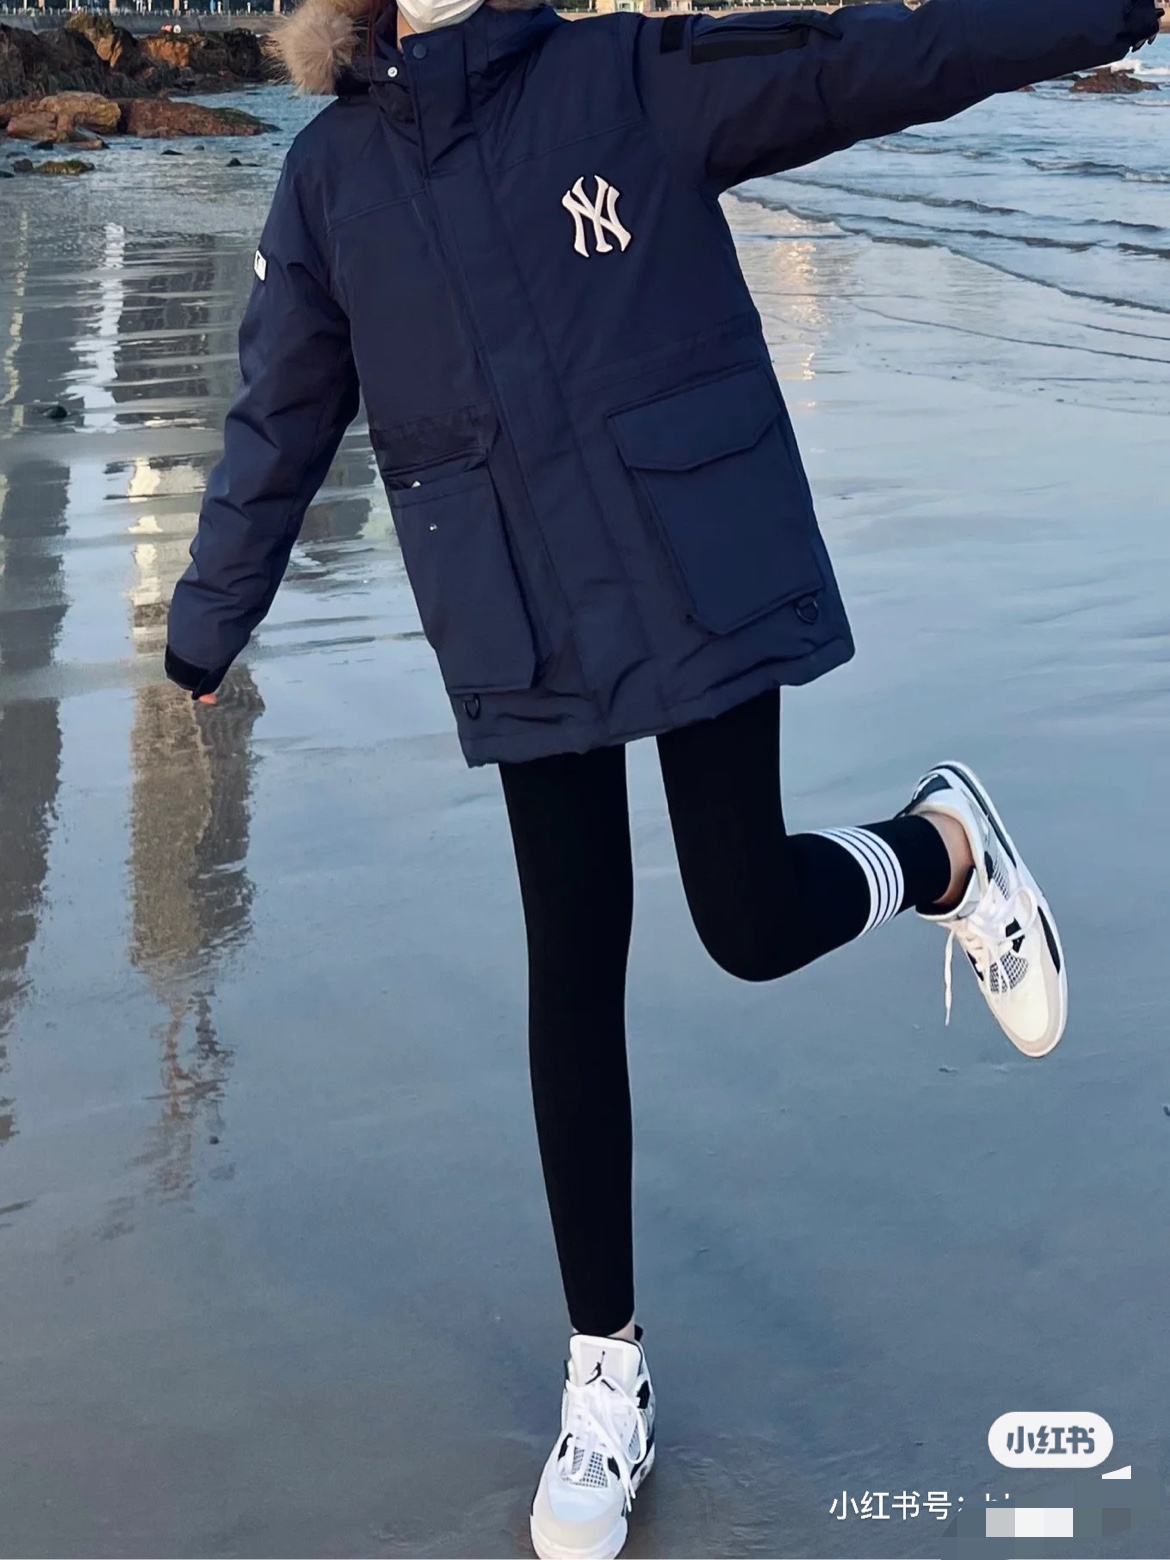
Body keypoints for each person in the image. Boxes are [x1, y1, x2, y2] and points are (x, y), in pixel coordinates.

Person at [165, 0, 1161, 1551]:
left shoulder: (624, 76)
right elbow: (280, 411)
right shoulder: (332, 180)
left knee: (746, 920)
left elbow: (872, 57)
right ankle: (604, 1376)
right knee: (570, 966)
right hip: (512, 603)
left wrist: (1108, 11)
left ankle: (943, 852)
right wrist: (208, 616)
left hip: (688, 559)